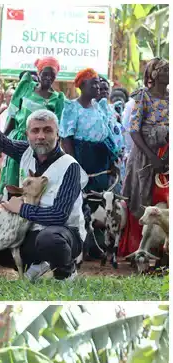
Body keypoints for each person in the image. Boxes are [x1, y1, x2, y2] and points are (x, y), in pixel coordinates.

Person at [0, 91, 90, 281]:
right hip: (28, 231)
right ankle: (35, 264)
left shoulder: (70, 166)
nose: (40, 136)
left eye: (47, 130)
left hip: (64, 234)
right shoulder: (26, 151)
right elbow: (0, 141)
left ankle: (65, 270)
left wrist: (21, 208)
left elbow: (59, 216)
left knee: (49, 239)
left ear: (58, 134)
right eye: (35, 130)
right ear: (27, 134)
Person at [117, 58, 168, 259]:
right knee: (142, 198)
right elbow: (134, 131)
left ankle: (159, 249)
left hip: (165, 154)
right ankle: (137, 251)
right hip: (145, 156)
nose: (168, 73)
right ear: (154, 75)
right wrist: (151, 157)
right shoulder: (142, 97)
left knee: (163, 200)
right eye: (164, 70)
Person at [0, 58, 68, 191]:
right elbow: (13, 116)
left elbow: (56, 128)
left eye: (52, 76)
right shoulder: (26, 88)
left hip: (40, 145)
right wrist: (3, 139)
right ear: (39, 74)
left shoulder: (57, 99)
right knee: (13, 181)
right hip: (18, 139)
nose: (48, 78)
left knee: (33, 181)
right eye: (45, 74)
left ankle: (30, 210)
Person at [61, 69, 121, 193]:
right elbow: (66, 139)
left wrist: (112, 160)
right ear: (82, 85)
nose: (98, 86)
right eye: (94, 83)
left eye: (98, 83)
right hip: (84, 158)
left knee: (102, 195)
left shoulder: (98, 106)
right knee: (84, 195)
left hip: (102, 159)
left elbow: (106, 134)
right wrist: (74, 166)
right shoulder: (72, 108)